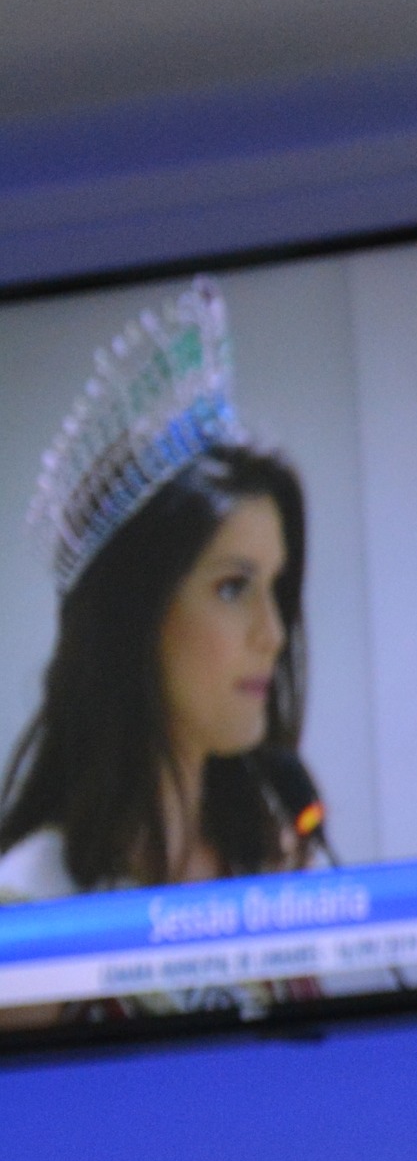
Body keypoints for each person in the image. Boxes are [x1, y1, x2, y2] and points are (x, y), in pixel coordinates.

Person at [1, 279, 332, 1024]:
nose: (273, 633)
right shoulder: (29, 915)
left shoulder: (273, 869)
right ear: (136, 618)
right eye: (232, 587)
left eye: (276, 588)